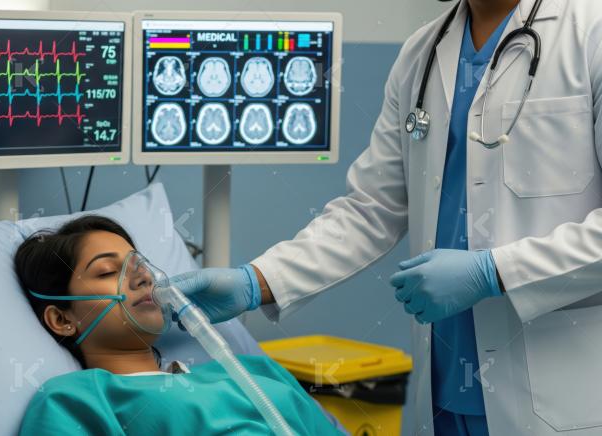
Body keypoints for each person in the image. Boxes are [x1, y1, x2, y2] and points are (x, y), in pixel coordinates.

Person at [170, 1, 602, 435]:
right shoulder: (423, 53)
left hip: (562, 394)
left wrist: (495, 272)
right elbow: (370, 210)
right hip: (445, 393)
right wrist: (257, 282)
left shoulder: (591, 31)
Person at [13, 215, 345, 436]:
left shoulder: (253, 371)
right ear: (62, 319)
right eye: (107, 272)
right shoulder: (77, 400)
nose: (141, 275)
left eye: (139, 264)